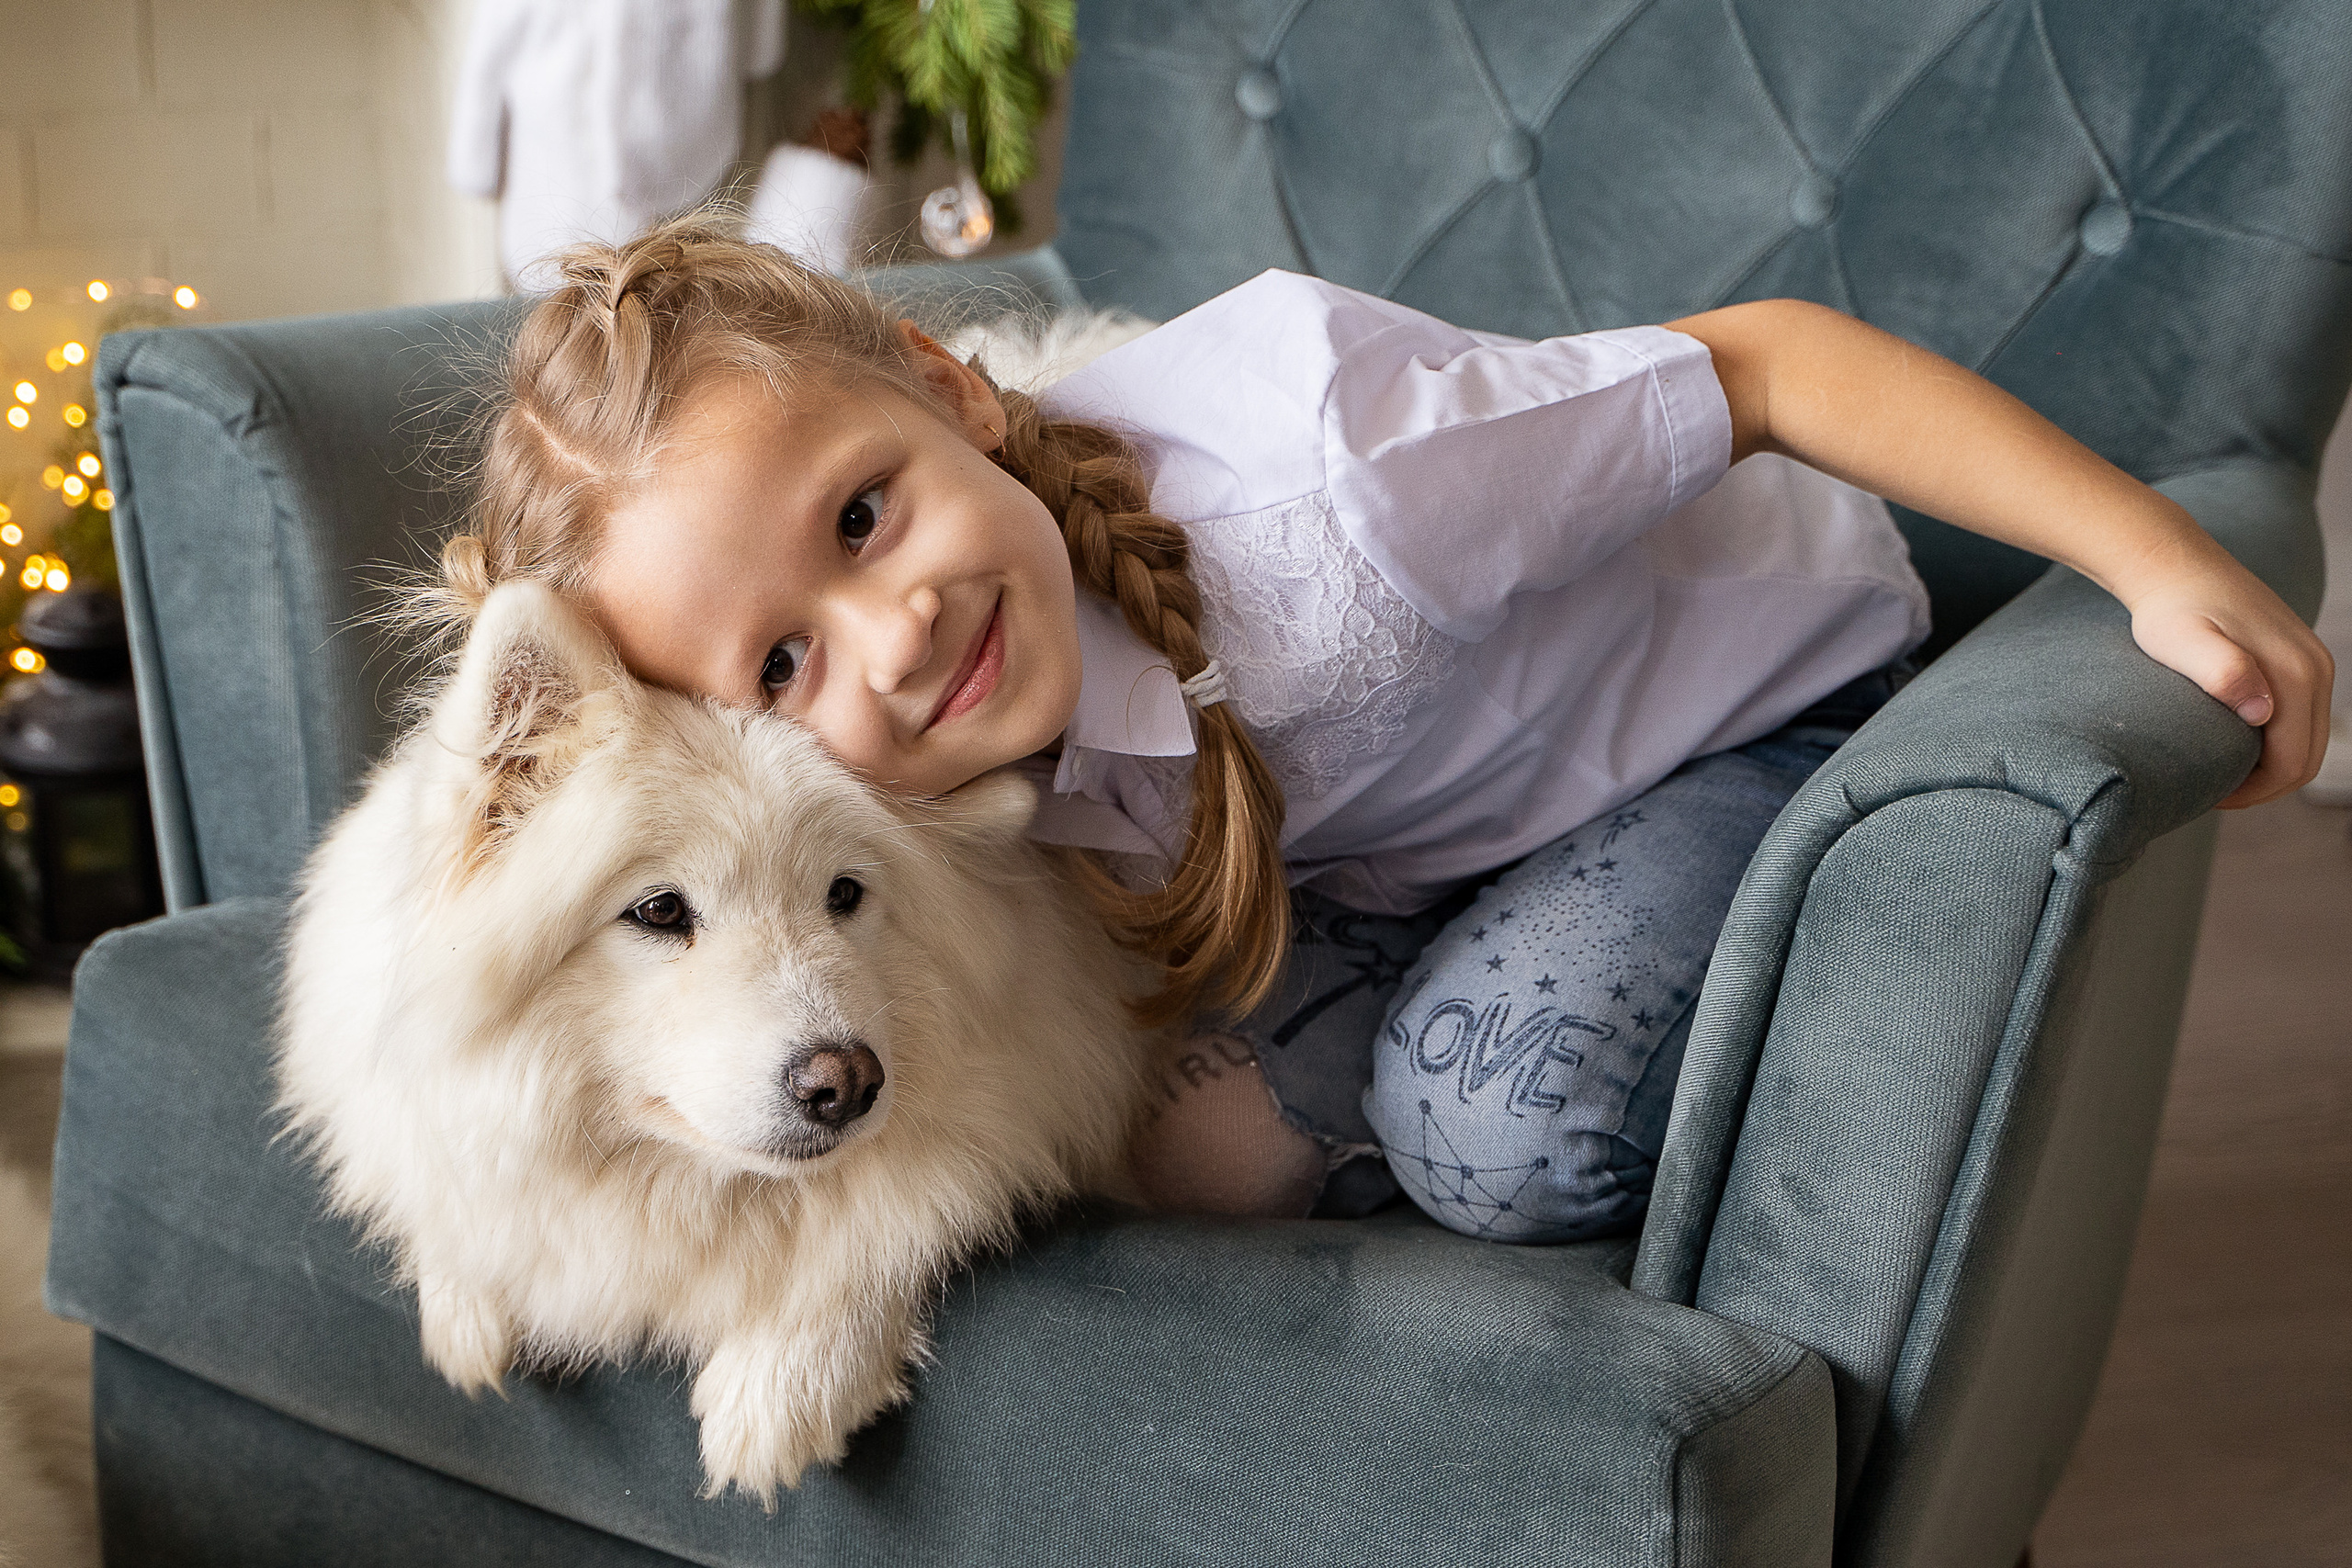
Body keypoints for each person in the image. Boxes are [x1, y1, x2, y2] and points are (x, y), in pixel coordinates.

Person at [437, 216, 2332, 1241]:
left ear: (954, 391)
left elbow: (1765, 360)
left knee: (1490, 1123)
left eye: (864, 515)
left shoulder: (1339, 486)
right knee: (1166, 1163)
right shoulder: (903, 769)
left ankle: (1669, 1020)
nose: (890, 628)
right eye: (777, 666)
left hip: (1748, 716)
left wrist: (2152, 559)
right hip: (1411, 839)